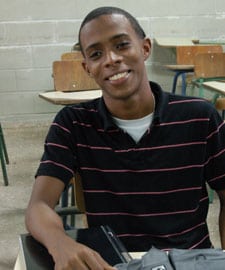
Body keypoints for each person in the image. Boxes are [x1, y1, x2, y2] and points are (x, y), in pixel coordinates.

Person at [25, 6, 225, 270]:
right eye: (96, 54)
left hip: (189, 260)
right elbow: (39, 205)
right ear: (87, 67)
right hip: (115, 263)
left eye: (121, 45)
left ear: (144, 48)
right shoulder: (72, 123)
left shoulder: (200, 117)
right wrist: (59, 241)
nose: (111, 59)